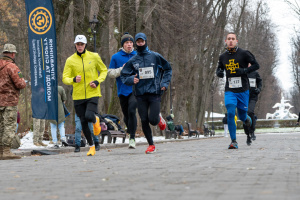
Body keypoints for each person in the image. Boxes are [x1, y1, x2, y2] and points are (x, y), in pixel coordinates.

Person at [121, 32, 172, 154]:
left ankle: (159, 119)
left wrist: (164, 84)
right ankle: (151, 144)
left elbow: (168, 68)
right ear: (136, 43)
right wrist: (131, 79)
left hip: (154, 92)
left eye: (142, 41)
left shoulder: (155, 56)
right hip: (140, 94)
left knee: (153, 120)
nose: (140, 43)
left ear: (145, 42)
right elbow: (124, 75)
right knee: (144, 120)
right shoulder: (133, 60)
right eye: (138, 42)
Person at [62, 35, 107, 156]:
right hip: (78, 96)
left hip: (93, 93)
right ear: (75, 45)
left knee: (88, 116)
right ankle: (91, 147)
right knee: (83, 122)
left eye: (82, 44)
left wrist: (97, 81)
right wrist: (73, 79)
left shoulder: (94, 56)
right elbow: (64, 78)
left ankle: (95, 119)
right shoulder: (70, 60)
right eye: (78, 44)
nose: (80, 46)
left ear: (85, 45)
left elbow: (104, 70)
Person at [216, 32, 260, 149]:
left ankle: (247, 119)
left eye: (233, 39)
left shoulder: (244, 54)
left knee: (242, 116)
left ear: (236, 41)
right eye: (228, 39)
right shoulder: (222, 57)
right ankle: (233, 141)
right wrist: (219, 72)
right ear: (225, 41)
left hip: (243, 90)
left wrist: (244, 71)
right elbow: (219, 68)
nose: (230, 41)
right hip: (229, 90)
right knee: (230, 112)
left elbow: (256, 65)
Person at [108, 32, 138, 149]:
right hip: (122, 90)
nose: (129, 45)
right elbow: (110, 73)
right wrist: (122, 69)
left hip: (135, 89)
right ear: (123, 45)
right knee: (126, 115)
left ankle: (132, 138)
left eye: (131, 42)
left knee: (132, 111)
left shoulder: (138, 55)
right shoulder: (116, 57)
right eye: (127, 43)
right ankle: (130, 129)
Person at [0, 43, 26, 160]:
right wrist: (23, 81)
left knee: (1, 126)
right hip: (10, 102)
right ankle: (6, 151)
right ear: (12, 54)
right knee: (9, 126)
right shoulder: (13, 67)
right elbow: (20, 84)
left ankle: (1, 151)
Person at [243, 67, 262, 145]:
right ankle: (247, 135)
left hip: (252, 96)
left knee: (250, 112)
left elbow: (260, 81)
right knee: (244, 115)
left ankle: (252, 131)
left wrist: (259, 89)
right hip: (243, 96)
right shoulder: (241, 72)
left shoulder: (255, 73)